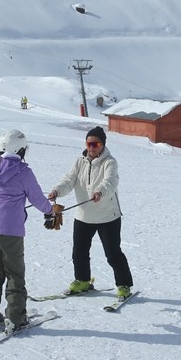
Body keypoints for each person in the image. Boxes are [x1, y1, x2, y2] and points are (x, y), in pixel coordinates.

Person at [0, 129, 57, 332]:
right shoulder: (23, 171)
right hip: (10, 230)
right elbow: (37, 198)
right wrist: (50, 212)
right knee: (14, 273)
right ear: (20, 149)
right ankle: (15, 316)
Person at [49, 126, 134, 299]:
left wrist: (100, 192)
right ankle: (82, 280)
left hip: (107, 216)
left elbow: (110, 182)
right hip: (84, 215)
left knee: (113, 253)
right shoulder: (79, 161)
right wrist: (57, 191)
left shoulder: (110, 162)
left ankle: (124, 284)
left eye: (95, 144)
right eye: (89, 143)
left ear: (103, 144)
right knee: (79, 251)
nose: (91, 147)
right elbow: (69, 179)